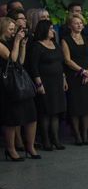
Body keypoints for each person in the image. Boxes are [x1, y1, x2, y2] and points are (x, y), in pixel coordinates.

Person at [0, 17, 39, 161]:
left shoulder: (13, 41)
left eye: (14, 29)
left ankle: (30, 146)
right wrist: (17, 42)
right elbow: (11, 59)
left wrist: (22, 45)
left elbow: (20, 61)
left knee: (32, 116)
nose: (13, 32)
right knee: (12, 119)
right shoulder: (1, 44)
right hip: (9, 84)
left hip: (20, 81)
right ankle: (11, 149)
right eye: (10, 29)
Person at [29, 20, 67, 151]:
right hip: (45, 83)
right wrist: (39, 84)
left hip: (57, 82)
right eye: (50, 28)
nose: (53, 31)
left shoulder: (55, 44)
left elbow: (61, 63)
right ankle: (46, 140)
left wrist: (64, 79)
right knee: (46, 112)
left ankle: (55, 139)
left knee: (55, 111)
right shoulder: (37, 46)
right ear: (44, 30)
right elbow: (34, 67)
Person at [62, 14, 88, 145]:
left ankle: (85, 134)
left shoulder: (87, 38)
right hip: (74, 75)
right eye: (76, 23)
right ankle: (77, 135)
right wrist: (82, 71)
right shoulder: (65, 40)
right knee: (75, 107)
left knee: (87, 106)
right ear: (70, 25)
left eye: (81, 23)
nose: (79, 25)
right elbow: (67, 60)